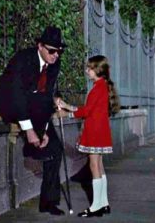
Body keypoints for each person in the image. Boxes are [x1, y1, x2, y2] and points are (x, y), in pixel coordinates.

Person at [0, 26, 67, 215]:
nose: (55, 55)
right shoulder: (23, 60)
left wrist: (44, 130)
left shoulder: (54, 64)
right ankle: (31, 145)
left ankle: (48, 202)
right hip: (12, 103)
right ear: (40, 46)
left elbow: (47, 96)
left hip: (36, 108)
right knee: (29, 105)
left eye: (59, 51)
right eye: (51, 51)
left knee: (55, 150)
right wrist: (29, 130)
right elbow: (17, 95)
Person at [57, 55, 120, 217]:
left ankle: (96, 206)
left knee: (94, 166)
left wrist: (67, 111)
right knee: (99, 166)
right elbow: (89, 110)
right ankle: (103, 203)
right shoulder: (102, 86)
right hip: (100, 130)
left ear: (98, 70)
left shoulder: (98, 88)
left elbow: (86, 111)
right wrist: (67, 107)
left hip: (95, 132)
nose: (87, 71)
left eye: (89, 68)